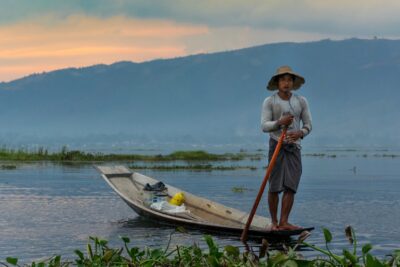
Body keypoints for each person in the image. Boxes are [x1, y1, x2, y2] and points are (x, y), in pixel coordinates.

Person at [261, 66, 312, 231]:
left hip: (294, 146)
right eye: (283, 80)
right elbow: (264, 126)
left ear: (293, 83)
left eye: (289, 80)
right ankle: (274, 222)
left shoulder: (301, 101)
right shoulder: (270, 101)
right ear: (277, 83)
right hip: (277, 144)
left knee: (291, 185)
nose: (286, 83)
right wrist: (279, 123)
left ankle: (284, 222)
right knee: (275, 185)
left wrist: (301, 133)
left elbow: (308, 125)